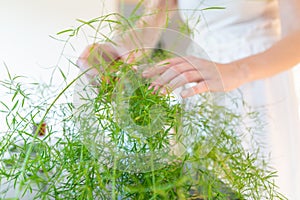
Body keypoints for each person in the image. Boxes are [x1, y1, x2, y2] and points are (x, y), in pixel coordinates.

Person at [76, 0, 300, 198]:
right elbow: (152, 19)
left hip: (256, 80)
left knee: (259, 182)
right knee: (204, 185)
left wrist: (235, 71)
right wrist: (116, 51)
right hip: (201, 83)